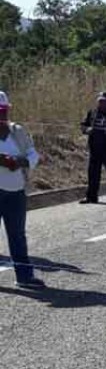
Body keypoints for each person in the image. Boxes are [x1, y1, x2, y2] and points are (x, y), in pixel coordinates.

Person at [0, 91, 45, 289]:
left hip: (16, 191)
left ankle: (24, 277)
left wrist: (19, 161)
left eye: (3, 111)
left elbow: (33, 155)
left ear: (8, 110)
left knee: (17, 235)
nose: (0, 116)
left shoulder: (17, 131)